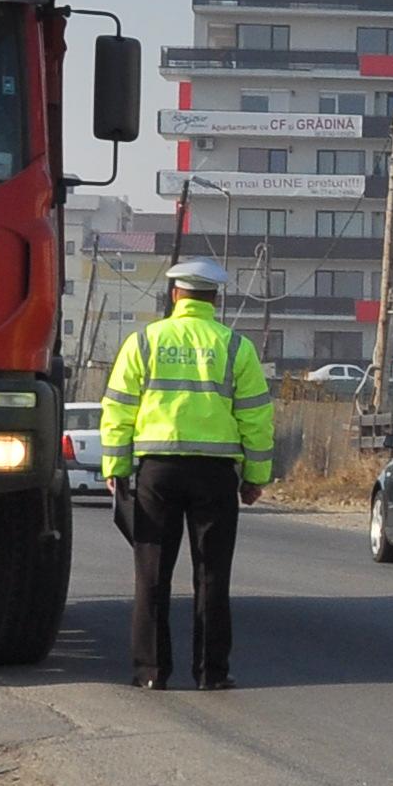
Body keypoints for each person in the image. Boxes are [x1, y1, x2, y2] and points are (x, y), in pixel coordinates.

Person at [105, 258, 276, 690]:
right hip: (214, 475)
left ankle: (150, 671)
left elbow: (119, 409)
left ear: (175, 294)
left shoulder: (144, 341)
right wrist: (255, 477)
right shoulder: (235, 347)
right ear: (214, 298)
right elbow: (256, 418)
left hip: (157, 472)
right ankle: (211, 673)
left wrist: (116, 468)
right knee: (212, 575)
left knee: (151, 574)